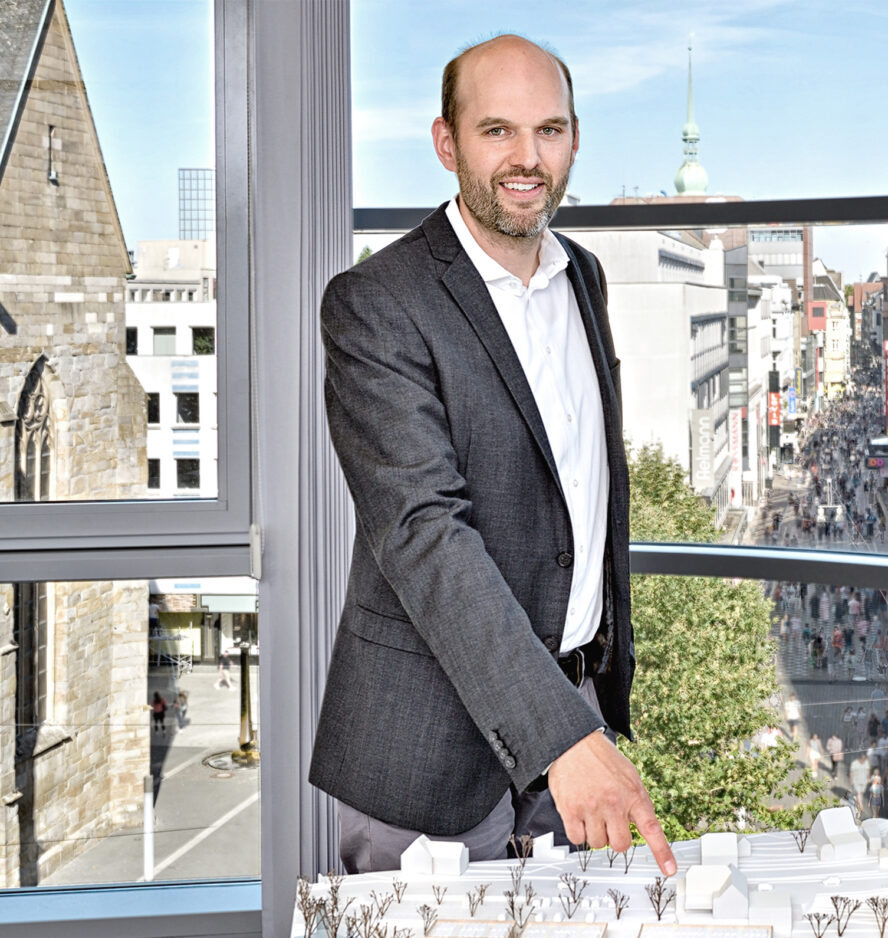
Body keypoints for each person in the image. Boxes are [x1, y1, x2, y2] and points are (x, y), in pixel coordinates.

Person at [309, 34, 675, 878]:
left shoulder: (583, 276)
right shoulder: (376, 302)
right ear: (448, 143)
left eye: (549, 130)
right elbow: (422, 530)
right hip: (428, 741)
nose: (527, 158)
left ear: (575, 140)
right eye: (497, 130)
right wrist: (561, 734)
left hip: (572, 698)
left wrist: (582, 706)